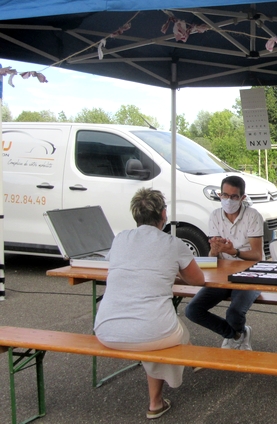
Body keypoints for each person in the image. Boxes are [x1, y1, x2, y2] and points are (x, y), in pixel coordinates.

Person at [94, 188, 205, 419]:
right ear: (164, 214)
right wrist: (171, 273)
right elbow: (197, 280)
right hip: (151, 331)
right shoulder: (173, 243)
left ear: (135, 214)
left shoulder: (121, 238)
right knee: (164, 335)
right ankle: (157, 398)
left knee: (157, 329)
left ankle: (159, 400)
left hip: (105, 329)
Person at [185, 175, 264, 351]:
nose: (228, 200)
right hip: (222, 274)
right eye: (225, 195)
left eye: (234, 196)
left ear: (242, 198)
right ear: (220, 195)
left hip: (250, 274)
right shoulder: (215, 216)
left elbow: (257, 255)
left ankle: (236, 333)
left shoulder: (252, 216)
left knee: (234, 312)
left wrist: (233, 252)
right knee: (192, 310)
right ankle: (235, 334)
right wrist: (214, 251)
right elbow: (212, 258)